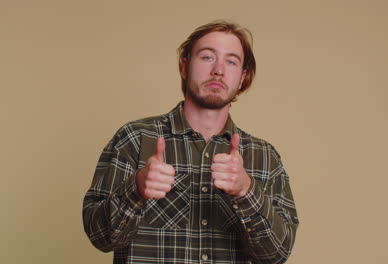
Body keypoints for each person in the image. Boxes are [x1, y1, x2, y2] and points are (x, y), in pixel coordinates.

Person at [83, 21, 299, 264]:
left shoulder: (264, 156)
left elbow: (277, 255)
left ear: (242, 77)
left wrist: (245, 190)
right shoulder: (135, 138)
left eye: (231, 61)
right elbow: (99, 236)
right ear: (184, 66)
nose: (218, 70)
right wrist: (137, 188)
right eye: (207, 57)